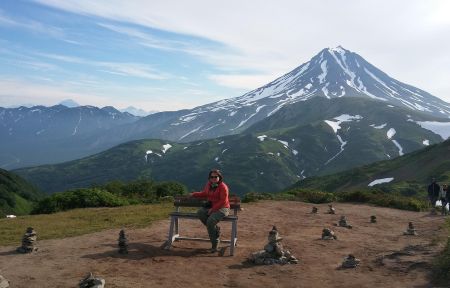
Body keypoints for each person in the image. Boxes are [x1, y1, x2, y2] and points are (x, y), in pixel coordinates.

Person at [190, 169, 230, 253]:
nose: (214, 178)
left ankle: (215, 244)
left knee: (210, 221)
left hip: (223, 208)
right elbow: (204, 193)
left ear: (219, 177)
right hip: (212, 206)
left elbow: (223, 201)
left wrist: (213, 209)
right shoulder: (209, 185)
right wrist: (194, 194)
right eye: (212, 177)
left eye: (216, 176)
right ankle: (215, 229)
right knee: (200, 212)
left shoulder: (223, 187)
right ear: (209, 178)